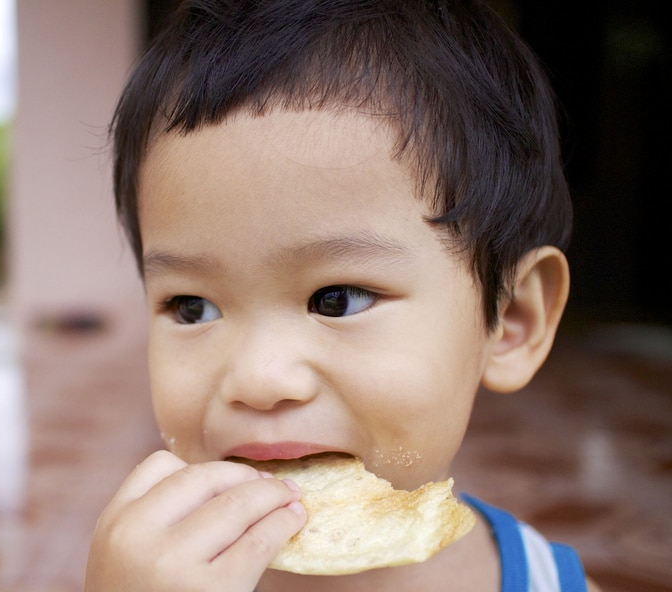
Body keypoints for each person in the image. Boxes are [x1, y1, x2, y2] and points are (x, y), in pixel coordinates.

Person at [86, 1, 600, 590]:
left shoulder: (544, 579)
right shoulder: (145, 577)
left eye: (337, 299)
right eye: (191, 307)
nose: (259, 379)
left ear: (510, 319)